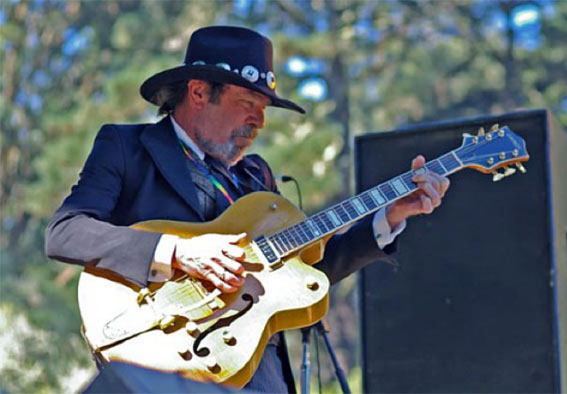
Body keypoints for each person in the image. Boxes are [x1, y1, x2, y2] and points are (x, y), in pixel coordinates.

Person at [45, 26, 450, 393]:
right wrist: (178, 251)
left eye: (264, 108)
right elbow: (66, 231)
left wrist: (391, 217)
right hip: (157, 351)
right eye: (247, 103)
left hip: (251, 364)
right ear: (199, 92)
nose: (259, 122)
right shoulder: (127, 147)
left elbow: (303, 277)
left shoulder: (257, 177)